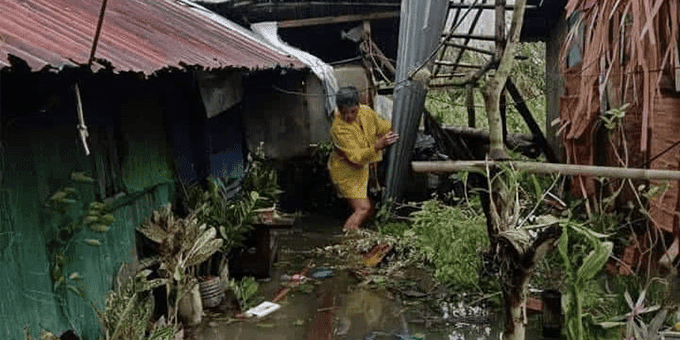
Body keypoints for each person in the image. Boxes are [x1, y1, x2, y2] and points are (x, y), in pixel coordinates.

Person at [328, 86, 399, 230]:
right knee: (363, 209)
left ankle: (355, 237)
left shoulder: (366, 112)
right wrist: (378, 146)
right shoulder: (338, 129)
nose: (348, 116)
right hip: (346, 173)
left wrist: (397, 130)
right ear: (338, 109)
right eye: (344, 112)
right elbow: (355, 157)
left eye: (352, 111)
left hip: (363, 170)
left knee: (369, 209)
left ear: (358, 106)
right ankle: (347, 241)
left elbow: (382, 127)